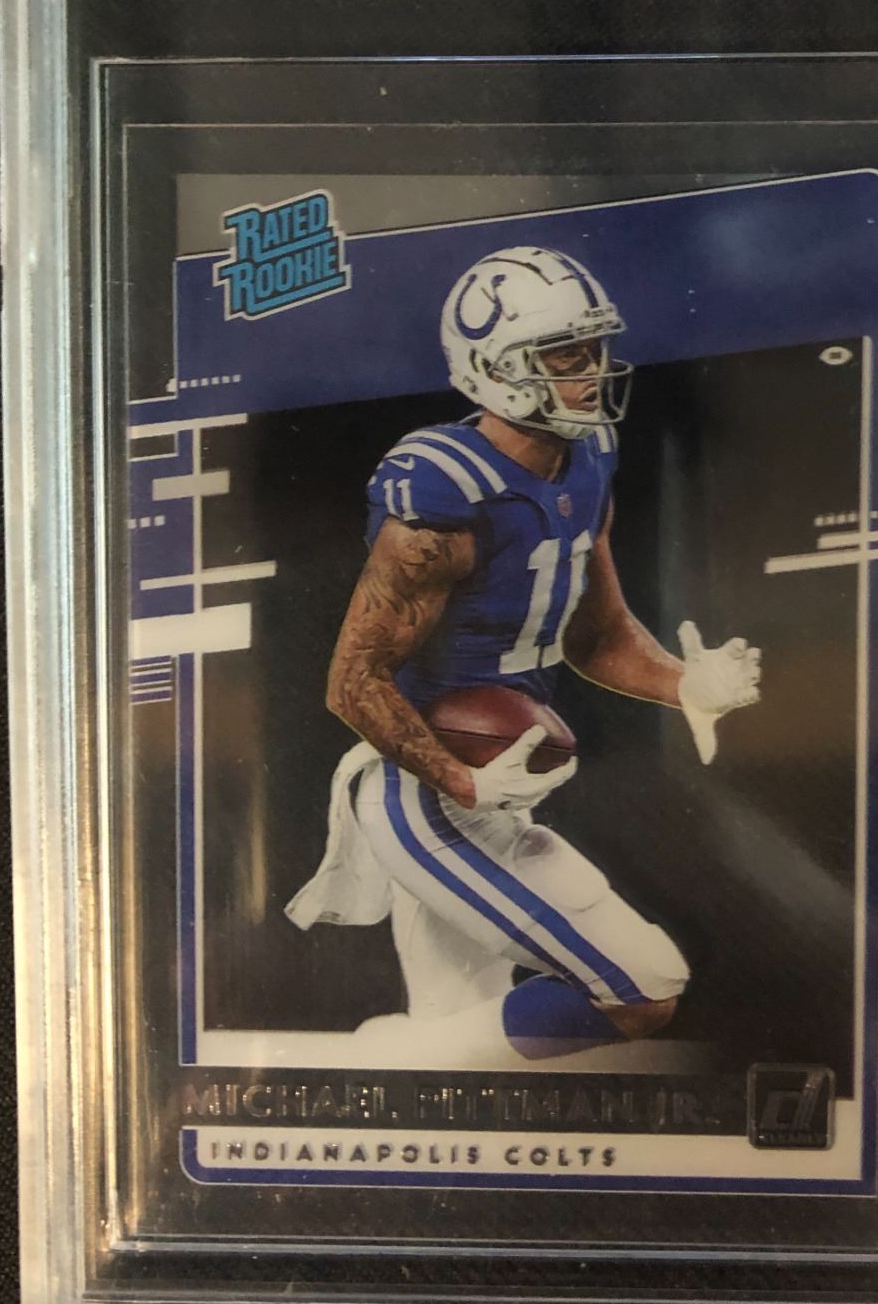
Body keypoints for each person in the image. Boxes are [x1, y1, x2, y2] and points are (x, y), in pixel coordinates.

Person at [289, 245, 760, 1060]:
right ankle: (375, 1063)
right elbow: (353, 681)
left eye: (595, 347)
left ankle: (405, 1069)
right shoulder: (442, 490)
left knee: (465, 1033)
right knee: (642, 986)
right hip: (426, 794)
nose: (594, 371)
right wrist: (463, 780)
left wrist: (687, 686)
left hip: (494, 790)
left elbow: (595, 635)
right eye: (567, 354)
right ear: (497, 367)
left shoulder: (590, 455)